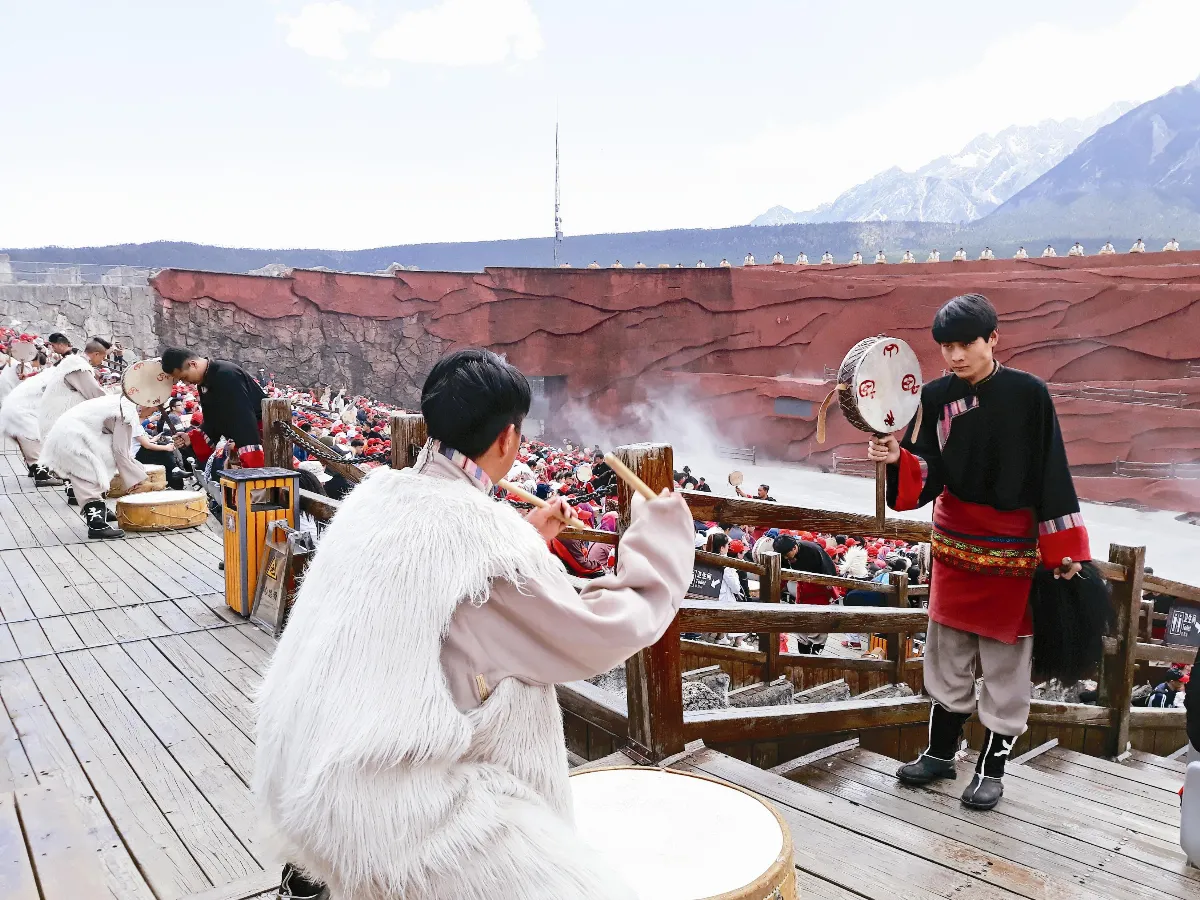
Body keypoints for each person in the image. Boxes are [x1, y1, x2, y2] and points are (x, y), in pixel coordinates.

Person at [253, 348, 694, 900]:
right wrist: (664, 537)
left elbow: (442, 590)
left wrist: (528, 538)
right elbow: (601, 633)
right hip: (384, 813)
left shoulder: (376, 500)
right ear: (508, 438)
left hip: (297, 769)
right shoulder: (486, 543)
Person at [870, 292, 1090, 811]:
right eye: (946, 346)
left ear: (994, 339)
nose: (955, 356)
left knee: (1006, 665)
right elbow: (925, 473)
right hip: (953, 548)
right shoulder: (932, 397)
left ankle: (992, 769)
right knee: (947, 656)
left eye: (966, 343)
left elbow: (1051, 471)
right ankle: (941, 754)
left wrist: (1063, 550)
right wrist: (895, 455)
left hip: (1013, 553)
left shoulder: (1029, 394)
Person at [39, 393, 155, 539]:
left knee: (94, 468)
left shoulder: (120, 401)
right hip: (73, 437)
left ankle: (100, 510)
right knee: (89, 477)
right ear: (147, 404)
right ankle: (97, 525)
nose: (154, 412)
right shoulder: (126, 411)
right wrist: (136, 479)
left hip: (66, 433)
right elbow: (121, 451)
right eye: (155, 408)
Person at [161, 347, 268, 469]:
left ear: (193, 364)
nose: (186, 383)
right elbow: (212, 422)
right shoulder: (204, 382)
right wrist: (191, 438)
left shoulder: (227, 375)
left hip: (262, 437)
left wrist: (252, 463)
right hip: (240, 441)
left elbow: (244, 420)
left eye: (184, 377)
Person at [38, 337, 109, 500]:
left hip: (56, 419)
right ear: (96, 354)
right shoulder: (78, 367)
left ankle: (74, 491)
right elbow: (95, 393)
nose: (102, 361)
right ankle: (89, 500)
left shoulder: (70, 363)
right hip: (61, 421)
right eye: (103, 357)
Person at [0, 364, 64, 487]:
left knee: (28, 441)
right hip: (21, 412)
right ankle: (42, 475)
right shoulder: (58, 377)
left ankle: (33, 469)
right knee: (34, 440)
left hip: (10, 409)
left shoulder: (47, 374)